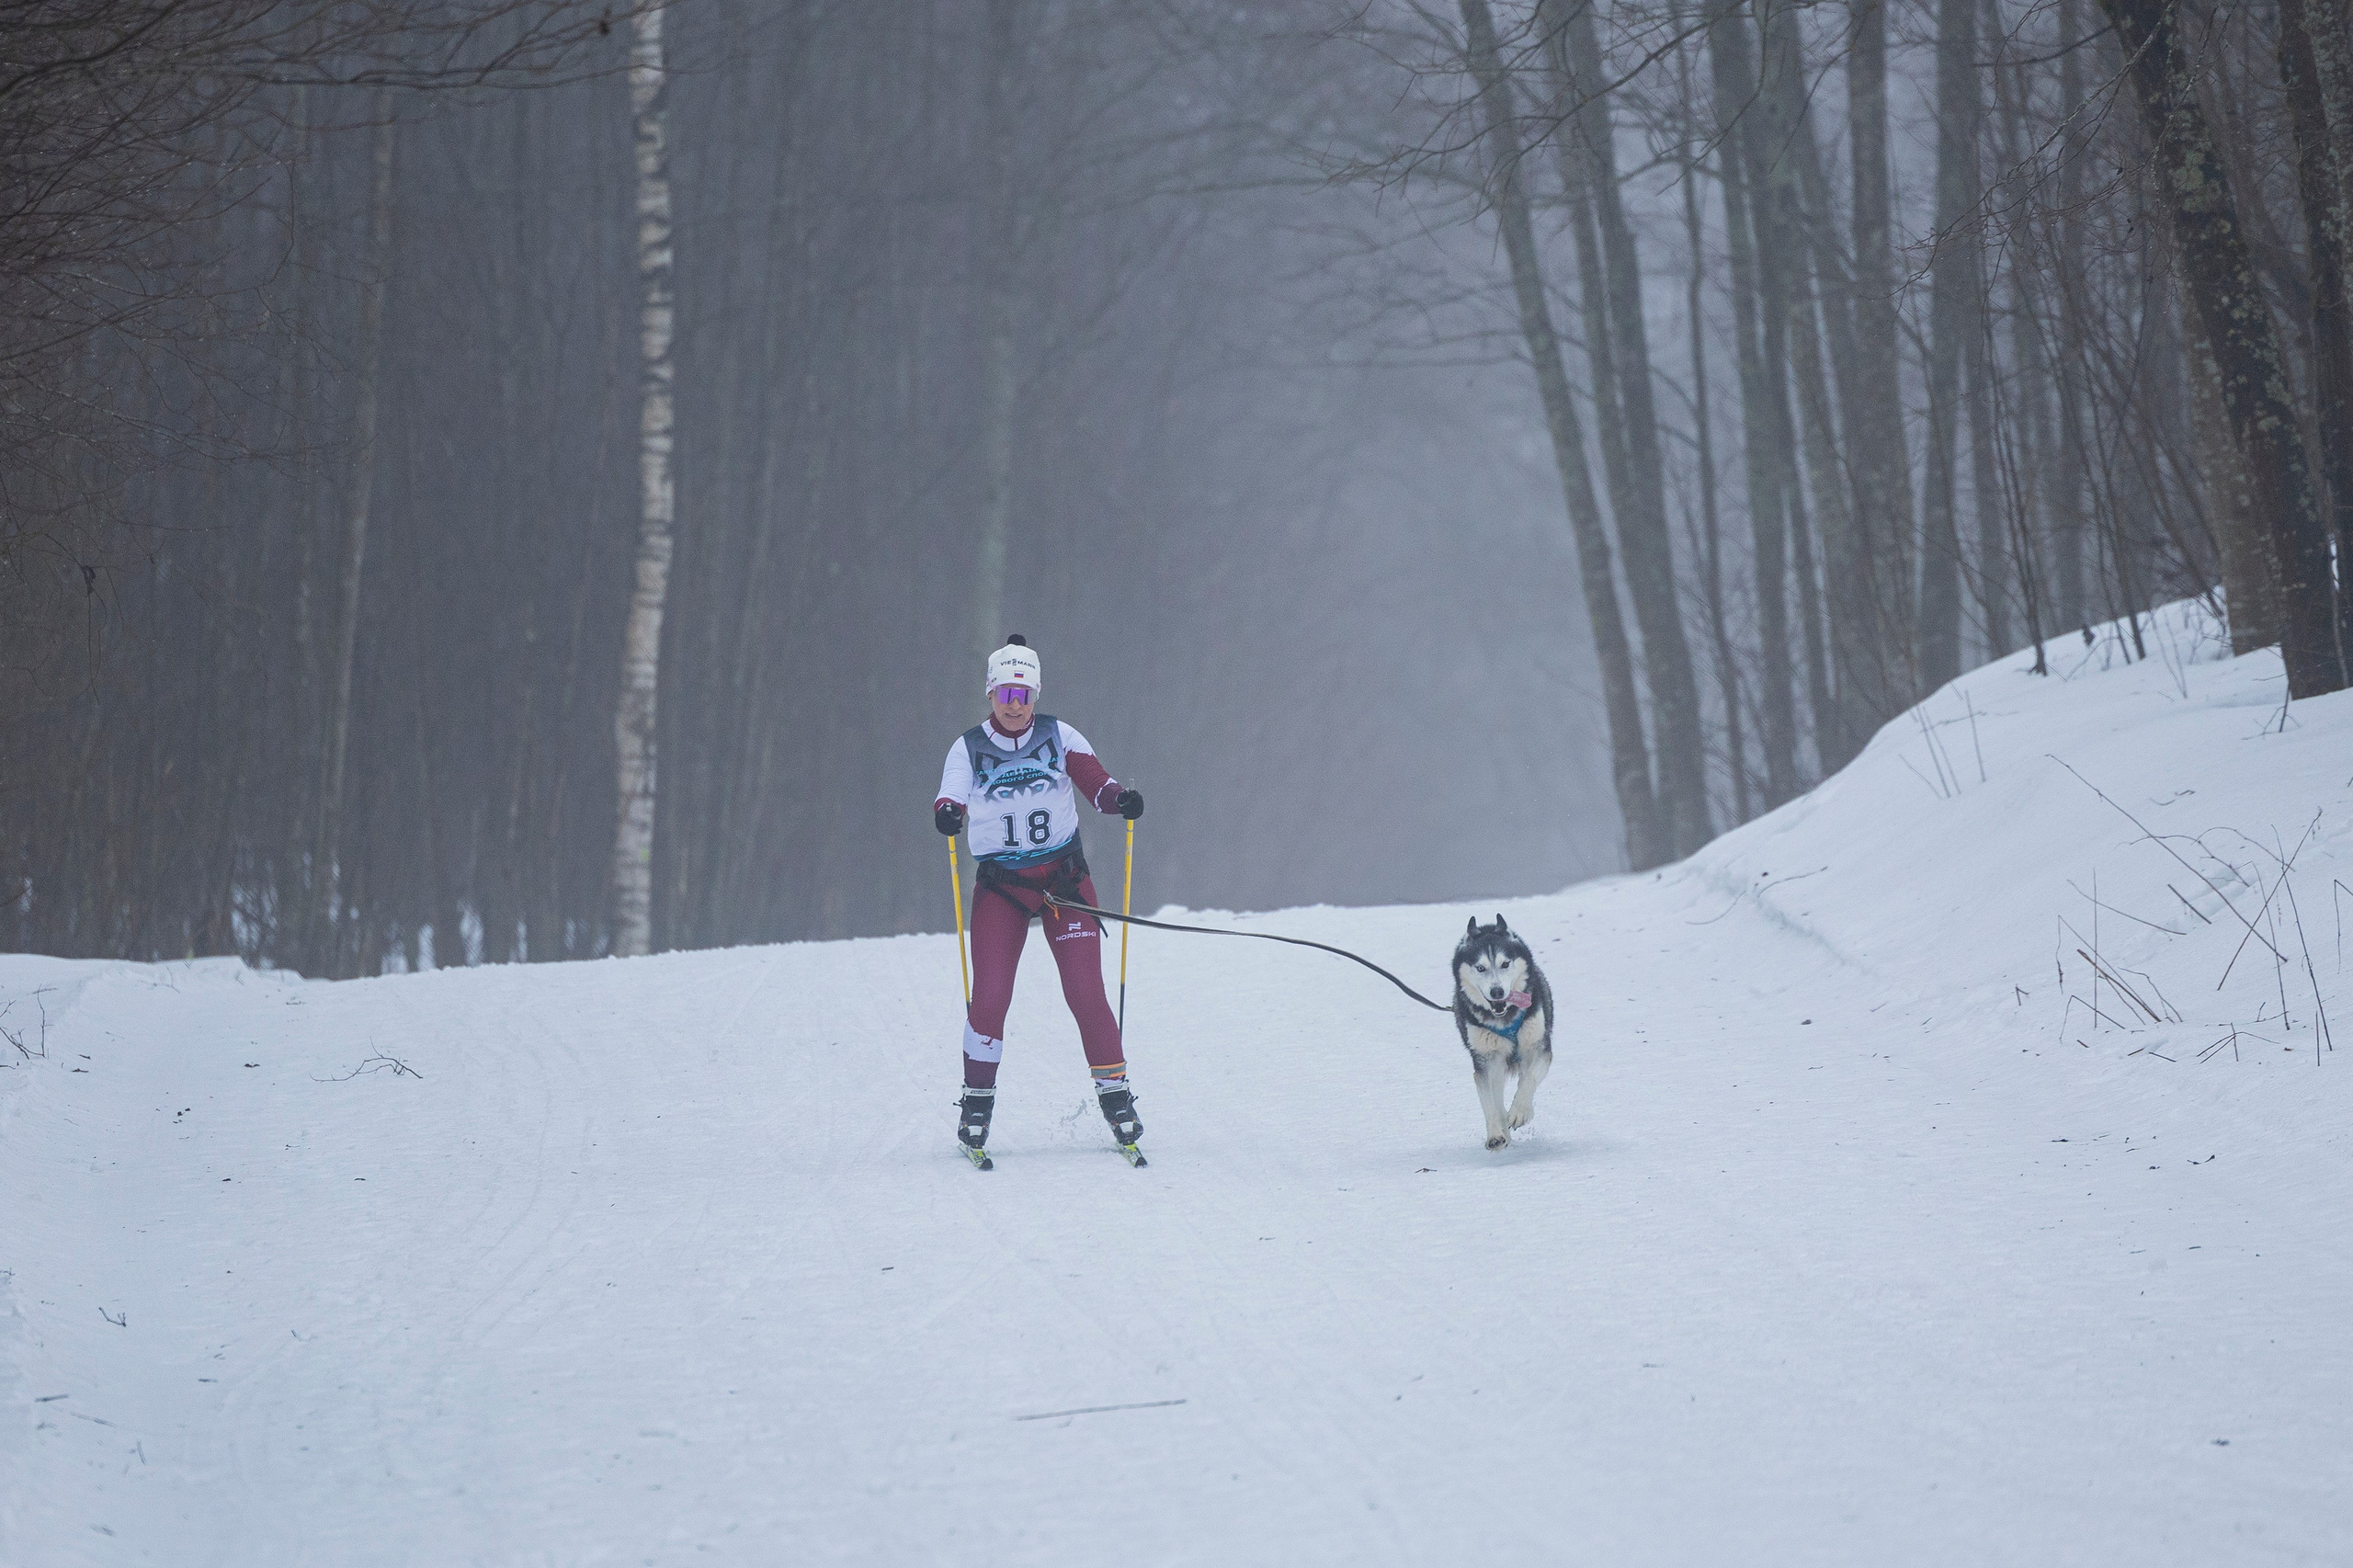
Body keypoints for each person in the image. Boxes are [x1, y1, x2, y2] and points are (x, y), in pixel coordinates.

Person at [934, 635, 1145, 1159]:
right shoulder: (968, 747)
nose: (1015, 704)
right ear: (990, 692)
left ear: (1037, 693)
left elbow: (1095, 782)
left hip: (1064, 884)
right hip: (1003, 889)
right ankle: (976, 1104)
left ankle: (1116, 1095)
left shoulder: (1059, 734)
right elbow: (952, 792)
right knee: (991, 998)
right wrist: (948, 812)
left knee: (1085, 992)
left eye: (1024, 693)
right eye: (1006, 693)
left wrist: (1120, 799)